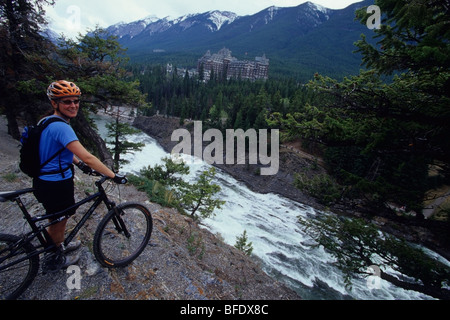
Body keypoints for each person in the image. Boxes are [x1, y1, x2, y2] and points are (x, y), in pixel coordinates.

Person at [33, 80, 126, 273]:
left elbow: (59, 151)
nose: (73, 105)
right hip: (56, 183)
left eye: (76, 101)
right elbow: (89, 156)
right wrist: (112, 175)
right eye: (67, 101)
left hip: (44, 179)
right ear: (54, 103)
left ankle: (58, 247)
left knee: (58, 218)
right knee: (59, 221)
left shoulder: (47, 121)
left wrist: (78, 164)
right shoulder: (62, 127)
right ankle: (54, 258)